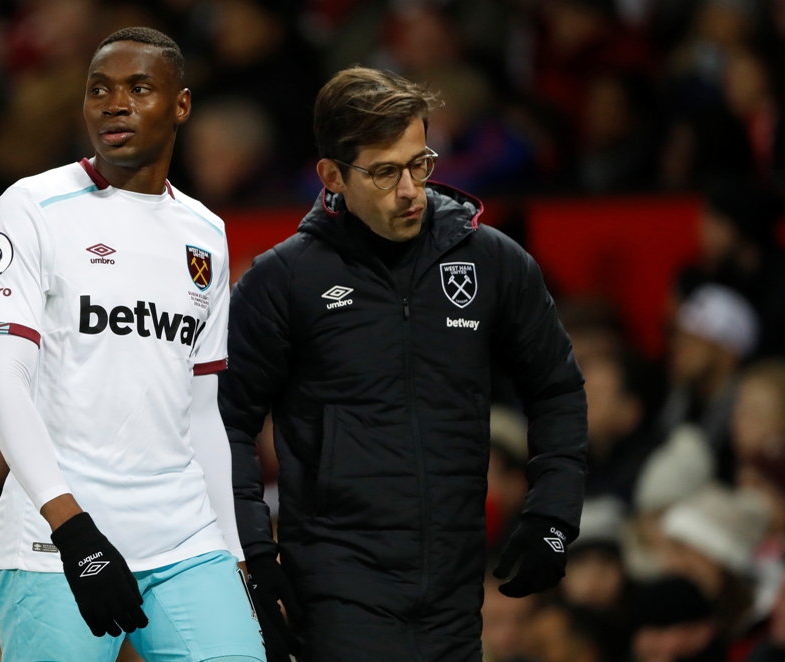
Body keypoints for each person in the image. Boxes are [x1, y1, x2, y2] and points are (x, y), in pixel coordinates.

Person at [219, 66, 588, 661]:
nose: (412, 189)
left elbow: (558, 388)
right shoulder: (282, 281)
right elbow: (227, 421)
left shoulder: (492, 261)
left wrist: (552, 514)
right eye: (386, 172)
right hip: (336, 589)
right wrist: (255, 556)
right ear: (332, 176)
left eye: (420, 163)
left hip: (456, 588)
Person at [0, 27, 264, 662]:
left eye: (138, 88)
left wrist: (237, 557)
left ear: (180, 105)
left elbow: (204, 411)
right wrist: (71, 527)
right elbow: (2, 381)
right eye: (98, 89)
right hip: (59, 540)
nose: (113, 104)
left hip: (184, 539)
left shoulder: (205, 232)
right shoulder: (33, 205)